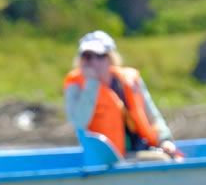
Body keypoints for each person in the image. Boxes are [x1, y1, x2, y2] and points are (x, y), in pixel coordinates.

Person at [62, 30, 183, 162]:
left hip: (140, 148)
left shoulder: (130, 80)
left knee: (174, 159)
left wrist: (165, 140)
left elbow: (152, 115)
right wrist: (91, 84)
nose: (94, 61)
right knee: (162, 160)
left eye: (100, 56)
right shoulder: (76, 86)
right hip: (107, 159)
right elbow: (79, 122)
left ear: (111, 57)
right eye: (88, 56)